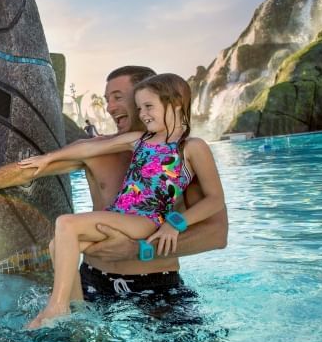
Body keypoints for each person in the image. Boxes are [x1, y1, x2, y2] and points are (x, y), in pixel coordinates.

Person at [0, 65, 228, 309]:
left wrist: (140, 250)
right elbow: (27, 171)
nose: (110, 106)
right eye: (107, 98)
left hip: (156, 283)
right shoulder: (101, 149)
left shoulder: (184, 153)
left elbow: (217, 234)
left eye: (119, 97)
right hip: (94, 282)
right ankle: (69, 311)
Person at [18, 73, 225, 327]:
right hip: (120, 214)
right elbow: (89, 148)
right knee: (56, 246)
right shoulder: (140, 141)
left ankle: (56, 307)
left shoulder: (191, 147)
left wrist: (175, 224)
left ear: (176, 103)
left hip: (146, 219)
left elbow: (215, 200)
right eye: (140, 108)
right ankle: (79, 313)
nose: (143, 113)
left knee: (66, 223)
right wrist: (47, 159)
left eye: (149, 106)